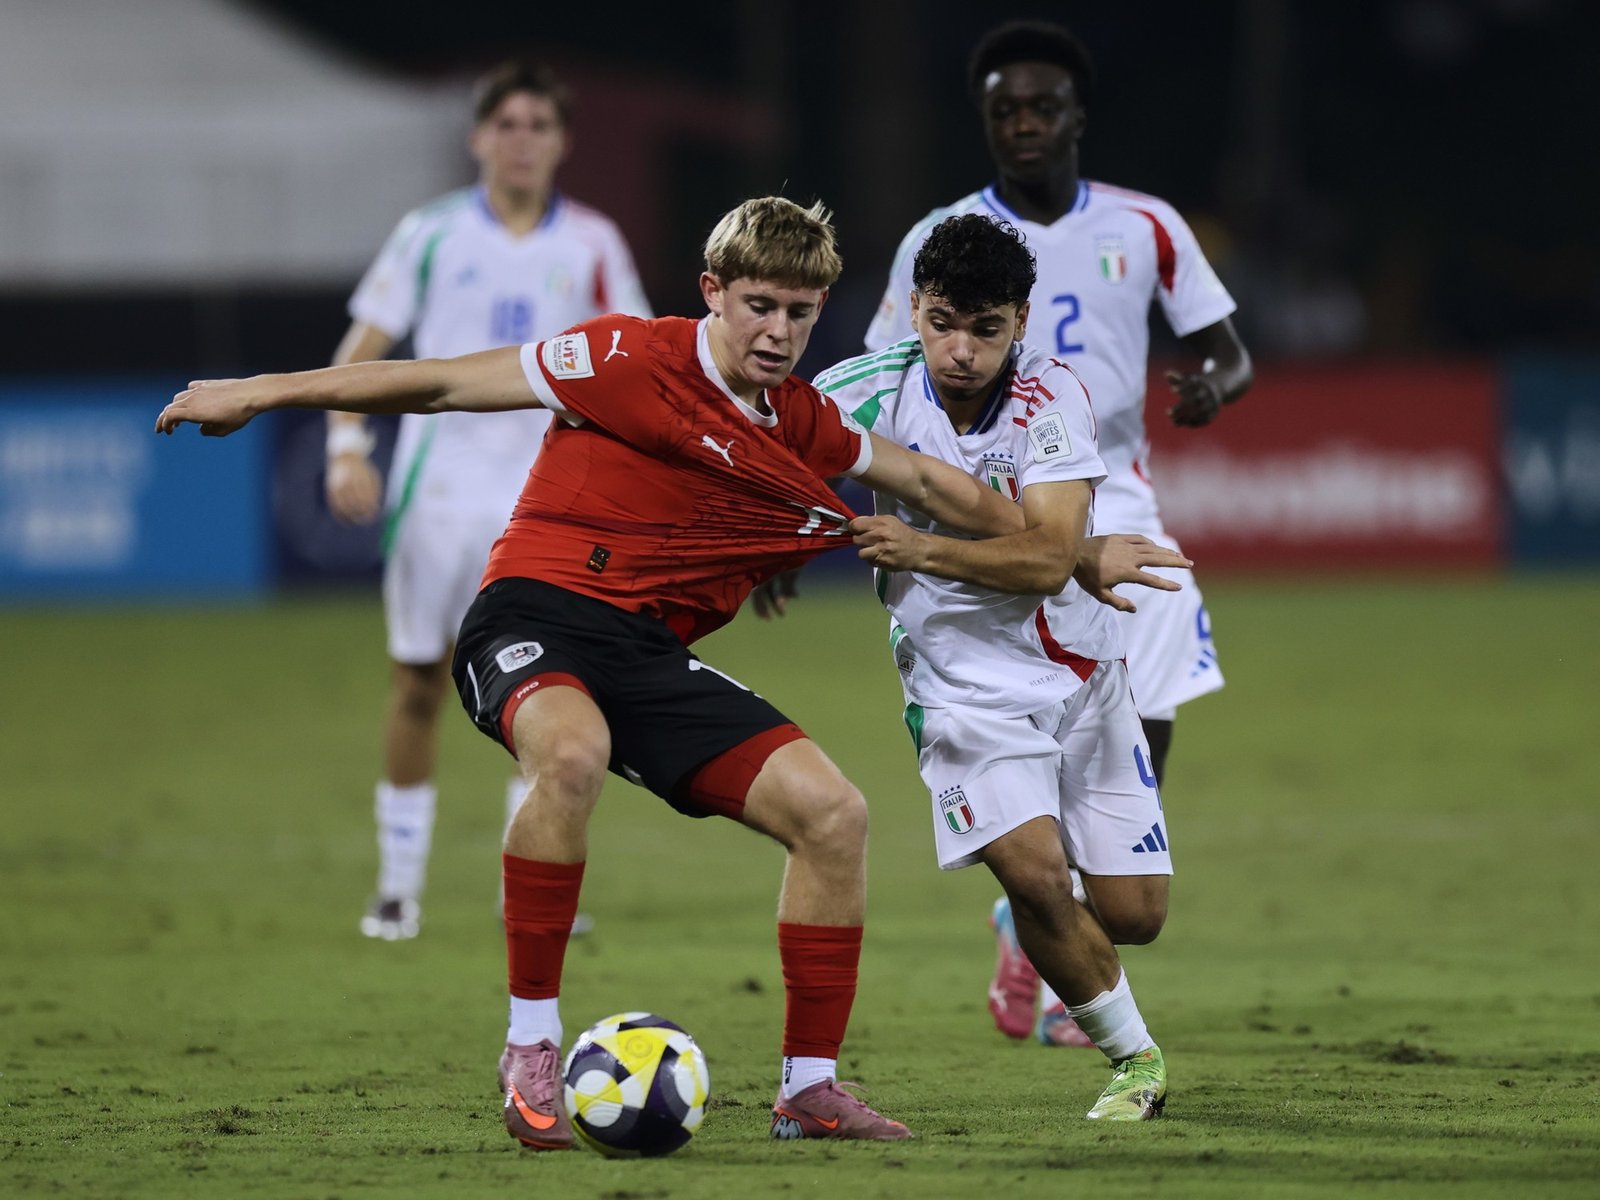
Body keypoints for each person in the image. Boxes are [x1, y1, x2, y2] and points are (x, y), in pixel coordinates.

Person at [157, 196, 1131, 1147]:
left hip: (647, 657)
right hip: (531, 619)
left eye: (799, 313)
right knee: (570, 757)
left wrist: (1073, 552)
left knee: (833, 815)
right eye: (760, 305)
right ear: (713, 292)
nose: (779, 331)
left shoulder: (800, 422)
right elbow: (446, 381)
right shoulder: (626, 357)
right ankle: (530, 1047)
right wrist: (260, 391)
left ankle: (808, 1090)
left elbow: (927, 482)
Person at [864, 18, 1253, 1047]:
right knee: (1027, 697)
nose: (1024, 125)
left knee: (1146, 704)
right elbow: (873, 397)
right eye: (1005, 111)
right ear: (985, 121)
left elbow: (1228, 348)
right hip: (988, 500)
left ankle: (1052, 901)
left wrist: (1213, 386)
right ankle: (1044, 895)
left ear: (1078, 116)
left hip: (1118, 499)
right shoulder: (939, 236)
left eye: (1042, 108)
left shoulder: (1145, 224)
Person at [819, 212, 1182, 1120]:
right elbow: (750, 444)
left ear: (1021, 321)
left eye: (986, 328)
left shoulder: (1054, 396)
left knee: (1135, 915)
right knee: (1032, 872)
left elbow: (1050, 557)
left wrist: (920, 548)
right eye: (943, 322)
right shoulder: (863, 389)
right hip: (961, 692)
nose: (961, 350)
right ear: (913, 310)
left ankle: (1038, 936)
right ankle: (1136, 1063)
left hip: (1084, 681)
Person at [323, 60, 652, 941]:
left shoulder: (591, 242)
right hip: (435, 501)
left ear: (561, 142)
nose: (520, 140)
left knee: (552, 687)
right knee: (419, 686)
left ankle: (530, 880)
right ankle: (397, 888)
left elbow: (635, 359)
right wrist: (345, 442)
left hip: (545, 509)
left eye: (537, 125)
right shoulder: (430, 234)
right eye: (505, 124)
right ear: (477, 138)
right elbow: (368, 345)